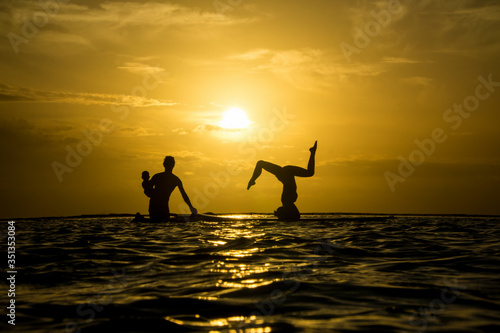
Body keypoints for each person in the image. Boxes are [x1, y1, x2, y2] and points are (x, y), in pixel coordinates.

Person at [247, 141, 317, 220]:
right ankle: (312, 152)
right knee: (260, 163)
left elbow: (296, 216)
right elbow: (296, 216)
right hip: (286, 174)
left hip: (286, 174)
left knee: (260, 163)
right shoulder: (287, 202)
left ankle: (312, 152)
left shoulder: (286, 201)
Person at [141, 156, 197, 221]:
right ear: (173, 165)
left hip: (158, 207)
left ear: (164, 164)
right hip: (157, 207)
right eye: (169, 164)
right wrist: (191, 208)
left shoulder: (158, 177)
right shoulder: (174, 179)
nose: (169, 166)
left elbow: (184, 196)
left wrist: (191, 208)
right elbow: (184, 196)